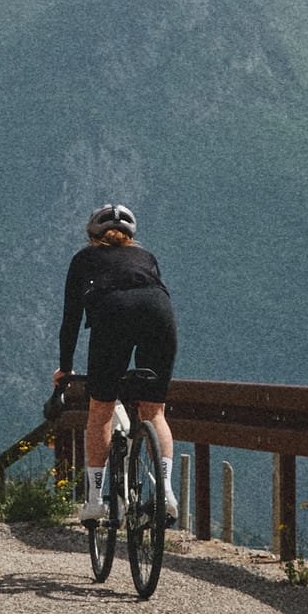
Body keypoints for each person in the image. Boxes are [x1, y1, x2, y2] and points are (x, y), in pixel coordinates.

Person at [53, 202, 178, 524]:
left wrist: (65, 368)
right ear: (130, 236)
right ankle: (164, 490)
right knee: (155, 410)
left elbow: (71, 319)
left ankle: (95, 500)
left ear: (92, 235)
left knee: (101, 409)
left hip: (113, 315)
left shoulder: (83, 259)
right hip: (159, 314)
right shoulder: (146, 257)